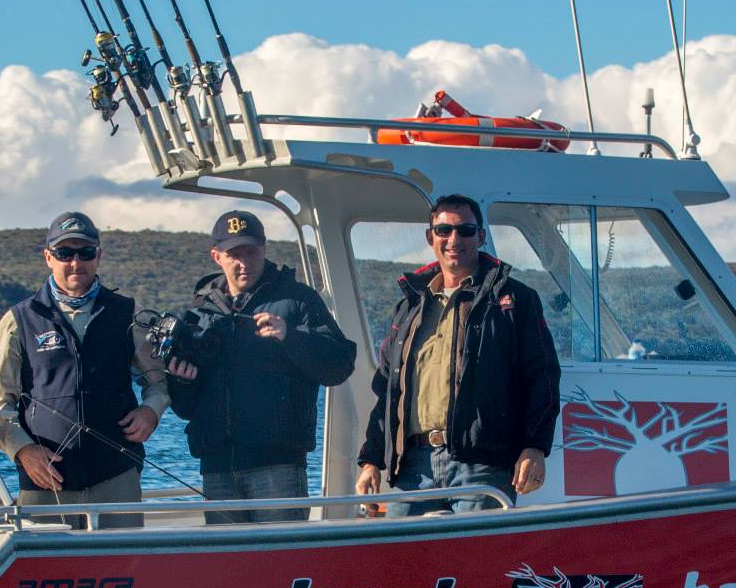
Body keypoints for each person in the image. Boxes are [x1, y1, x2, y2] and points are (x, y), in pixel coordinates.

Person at [355, 194, 561, 514]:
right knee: (402, 563)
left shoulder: (516, 299)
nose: (454, 239)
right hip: (413, 467)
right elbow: (387, 389)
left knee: (477, 563)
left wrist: (535, 447)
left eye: (465, 230)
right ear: (430, 237)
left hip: (482, 467)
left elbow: (543, 377)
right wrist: (370, 461)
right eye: (443, 231)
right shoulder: (409, 306)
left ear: (480, 236)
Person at [0, 212, 169, 528]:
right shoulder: (20, 319)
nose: (75, 262)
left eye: (85, 252)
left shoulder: (126, 313)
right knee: (46, 575)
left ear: (99, 256)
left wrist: (151, 410)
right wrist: (22, 449)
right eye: (65, 253)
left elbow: (158, 381)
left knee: (122, 572)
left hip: (116, 477)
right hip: (45, 482)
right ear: (48, 258)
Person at [165, 210, 356, 523]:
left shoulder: (299, 301)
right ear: (217, 256)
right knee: (229, 568)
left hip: (277, 466)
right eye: (234, 254)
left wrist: (291, 336)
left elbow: (340, 365)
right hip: (217, 467)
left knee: (281, 564)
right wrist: (182, 382)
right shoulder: (199, 312)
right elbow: (186, 408)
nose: (244, 262)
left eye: (251, 252)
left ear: (264, 249)